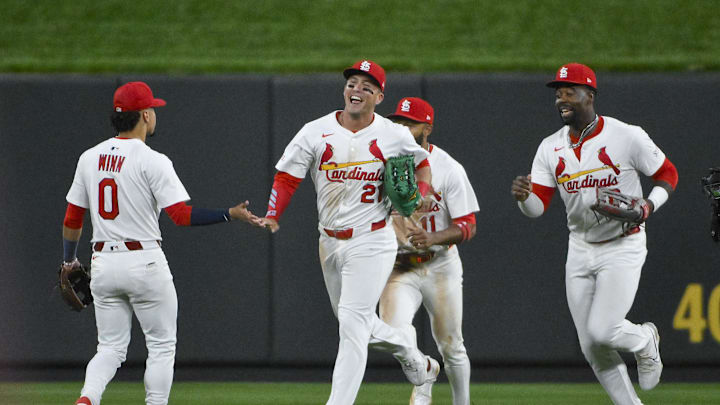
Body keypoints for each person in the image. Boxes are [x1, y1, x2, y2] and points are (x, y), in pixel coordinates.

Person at [63, 81, 260, 405]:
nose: (154, 114)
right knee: (161, 346)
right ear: (144, 116)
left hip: (103, 263)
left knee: (109, 348)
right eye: (152, 109)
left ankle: (87, 399)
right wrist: (230, 213)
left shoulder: (89, 158)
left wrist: (70, 260)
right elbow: (180, 215)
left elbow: (73, 218)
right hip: (145, 261)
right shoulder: (152, 159)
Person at [255, 60, 438, 405]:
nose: (357, 90)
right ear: (345, 89)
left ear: (379, 96)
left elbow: (422, 162)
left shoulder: (393, 134)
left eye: (367, 87)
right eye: (353, 83)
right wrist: (273, 213)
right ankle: (417, 360)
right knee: (358, 324)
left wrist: (423, 192)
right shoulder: (315, 131)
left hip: (372, 238)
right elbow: (287, 176)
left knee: (352, 329)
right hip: (329, 240)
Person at [511, 63, 678, 405]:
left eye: (570, 91)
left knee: (603, 330)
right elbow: (538, 208)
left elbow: (668, 174)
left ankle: (645, 339)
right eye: (558, 93)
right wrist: (524, 198)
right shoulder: (549, 147)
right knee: (591, 345)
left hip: (623, 243)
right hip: (580, 247)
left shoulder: (625, 135)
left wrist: (648, 205)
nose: (561, 98)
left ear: (591, 94)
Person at [380, 97, 479, 405]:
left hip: (440, 264)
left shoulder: (448, 168)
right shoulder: (381, 163)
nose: (402, 128)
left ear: (428, 128)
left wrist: (433, 237)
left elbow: (468, 226)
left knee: (452, 345)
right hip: (398, 267)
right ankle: (426, 369)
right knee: (392, 334)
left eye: (410, 123)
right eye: (398, 122)